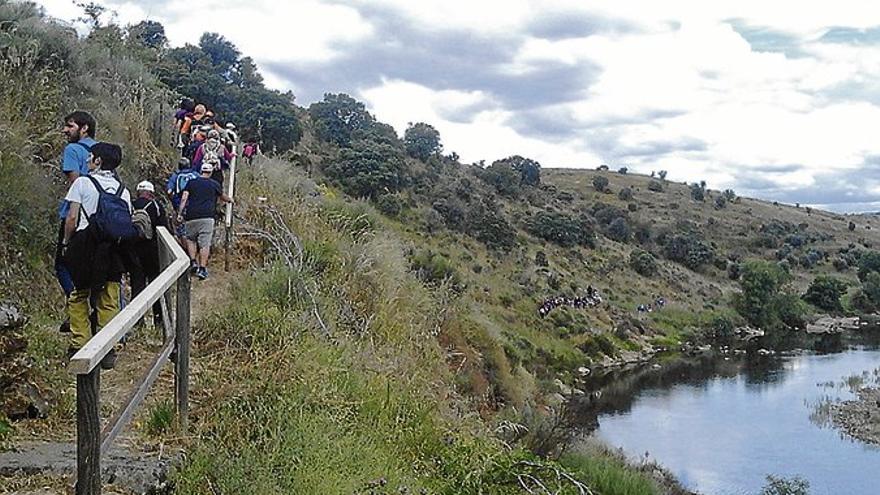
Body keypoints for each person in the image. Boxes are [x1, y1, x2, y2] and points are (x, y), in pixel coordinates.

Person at [61, 142, 130, 368]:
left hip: (85, 244)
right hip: (111, 248)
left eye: (91, 157)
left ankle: (80, 343)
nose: (89, 160)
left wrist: (66, 242)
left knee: (79, 295)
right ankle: (107, 347)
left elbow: (72, 218)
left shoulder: (82, 182)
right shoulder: (123, 190)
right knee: (109, 297)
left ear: (98, 160)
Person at [56, 111, 98, 332]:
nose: (65, 130)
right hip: (97, 219)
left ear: (84, 128)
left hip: (75, 214)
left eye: (70, 126)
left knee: (63, 265)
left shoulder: (72, 150)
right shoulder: (100, 149)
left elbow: (76, 184)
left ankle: (77, 309)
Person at [176, 162, 233, 280]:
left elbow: (184, 198)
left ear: (201, 171)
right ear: (211, 172)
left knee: (191, 240)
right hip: (207, 217)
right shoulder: (214, 184)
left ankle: (193, 262)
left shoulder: (191, 183)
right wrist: (230, 200)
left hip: (191, 215)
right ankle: (202, 268)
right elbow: (223, 197)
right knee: (204, 244)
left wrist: (180, 213)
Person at [130, 181, 168, 327]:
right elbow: (164, 228)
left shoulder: (130, 205)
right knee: (155, 285)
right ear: (151, 193)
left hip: (133, 251)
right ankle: (159, 320)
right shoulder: (156, 206)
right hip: (152, 251)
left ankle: (137, 322)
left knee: (137, 286)